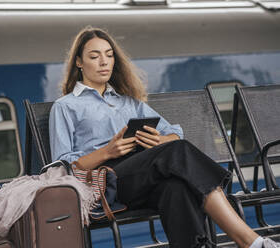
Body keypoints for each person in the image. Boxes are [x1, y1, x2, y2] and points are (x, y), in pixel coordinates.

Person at [49, 26, 280, 248]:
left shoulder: (128, 102)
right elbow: (62, 167)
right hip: (104, 185)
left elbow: (175, 134)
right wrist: (108, 151)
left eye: (109, 55)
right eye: (94, 56)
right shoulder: (66, 106)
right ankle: (249, 240)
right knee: (177, 152)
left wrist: (158, 141)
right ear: (79, 62)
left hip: (141, 178)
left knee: (175, 186)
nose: (104, 62)